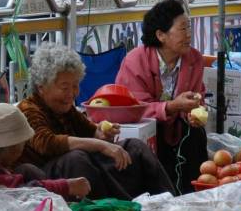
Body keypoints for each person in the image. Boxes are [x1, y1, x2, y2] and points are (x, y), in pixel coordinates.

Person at [18, 43, 174, 200]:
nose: (72, 94)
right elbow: (47, 143)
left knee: (134, 147)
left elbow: (90, 131)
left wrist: (101, 134)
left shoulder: (66, 110)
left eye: (75, 86)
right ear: (41, 88)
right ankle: (117, 210)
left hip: (79, 166)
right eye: (64, 88)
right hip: (48, 181)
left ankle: (169, 202)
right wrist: (101, 145)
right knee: (76, 159)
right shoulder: (28, 109)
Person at [115, 0, 208, 194]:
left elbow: (199, 95)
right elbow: (134, 108)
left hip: (179, 127)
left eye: (189, 27)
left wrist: (195, 111)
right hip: (149, 127)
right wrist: (171, 107)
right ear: (161, 35)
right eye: (182, 29)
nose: (189, 34)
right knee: (154, 135)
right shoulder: (135, 61)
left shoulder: (194, 59)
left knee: (196, 135)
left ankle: (194, 194)